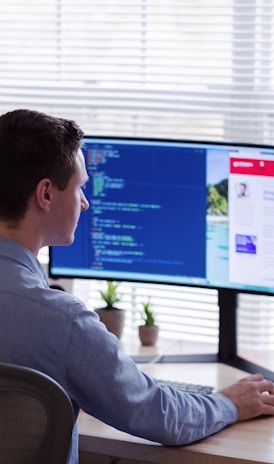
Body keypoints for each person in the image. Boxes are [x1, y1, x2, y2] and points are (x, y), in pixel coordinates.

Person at [0, 109, 273, 464]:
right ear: (46, 195)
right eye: (81, 185)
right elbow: (159, 415)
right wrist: (230, 403)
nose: (86, 201)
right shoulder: (61, 322)